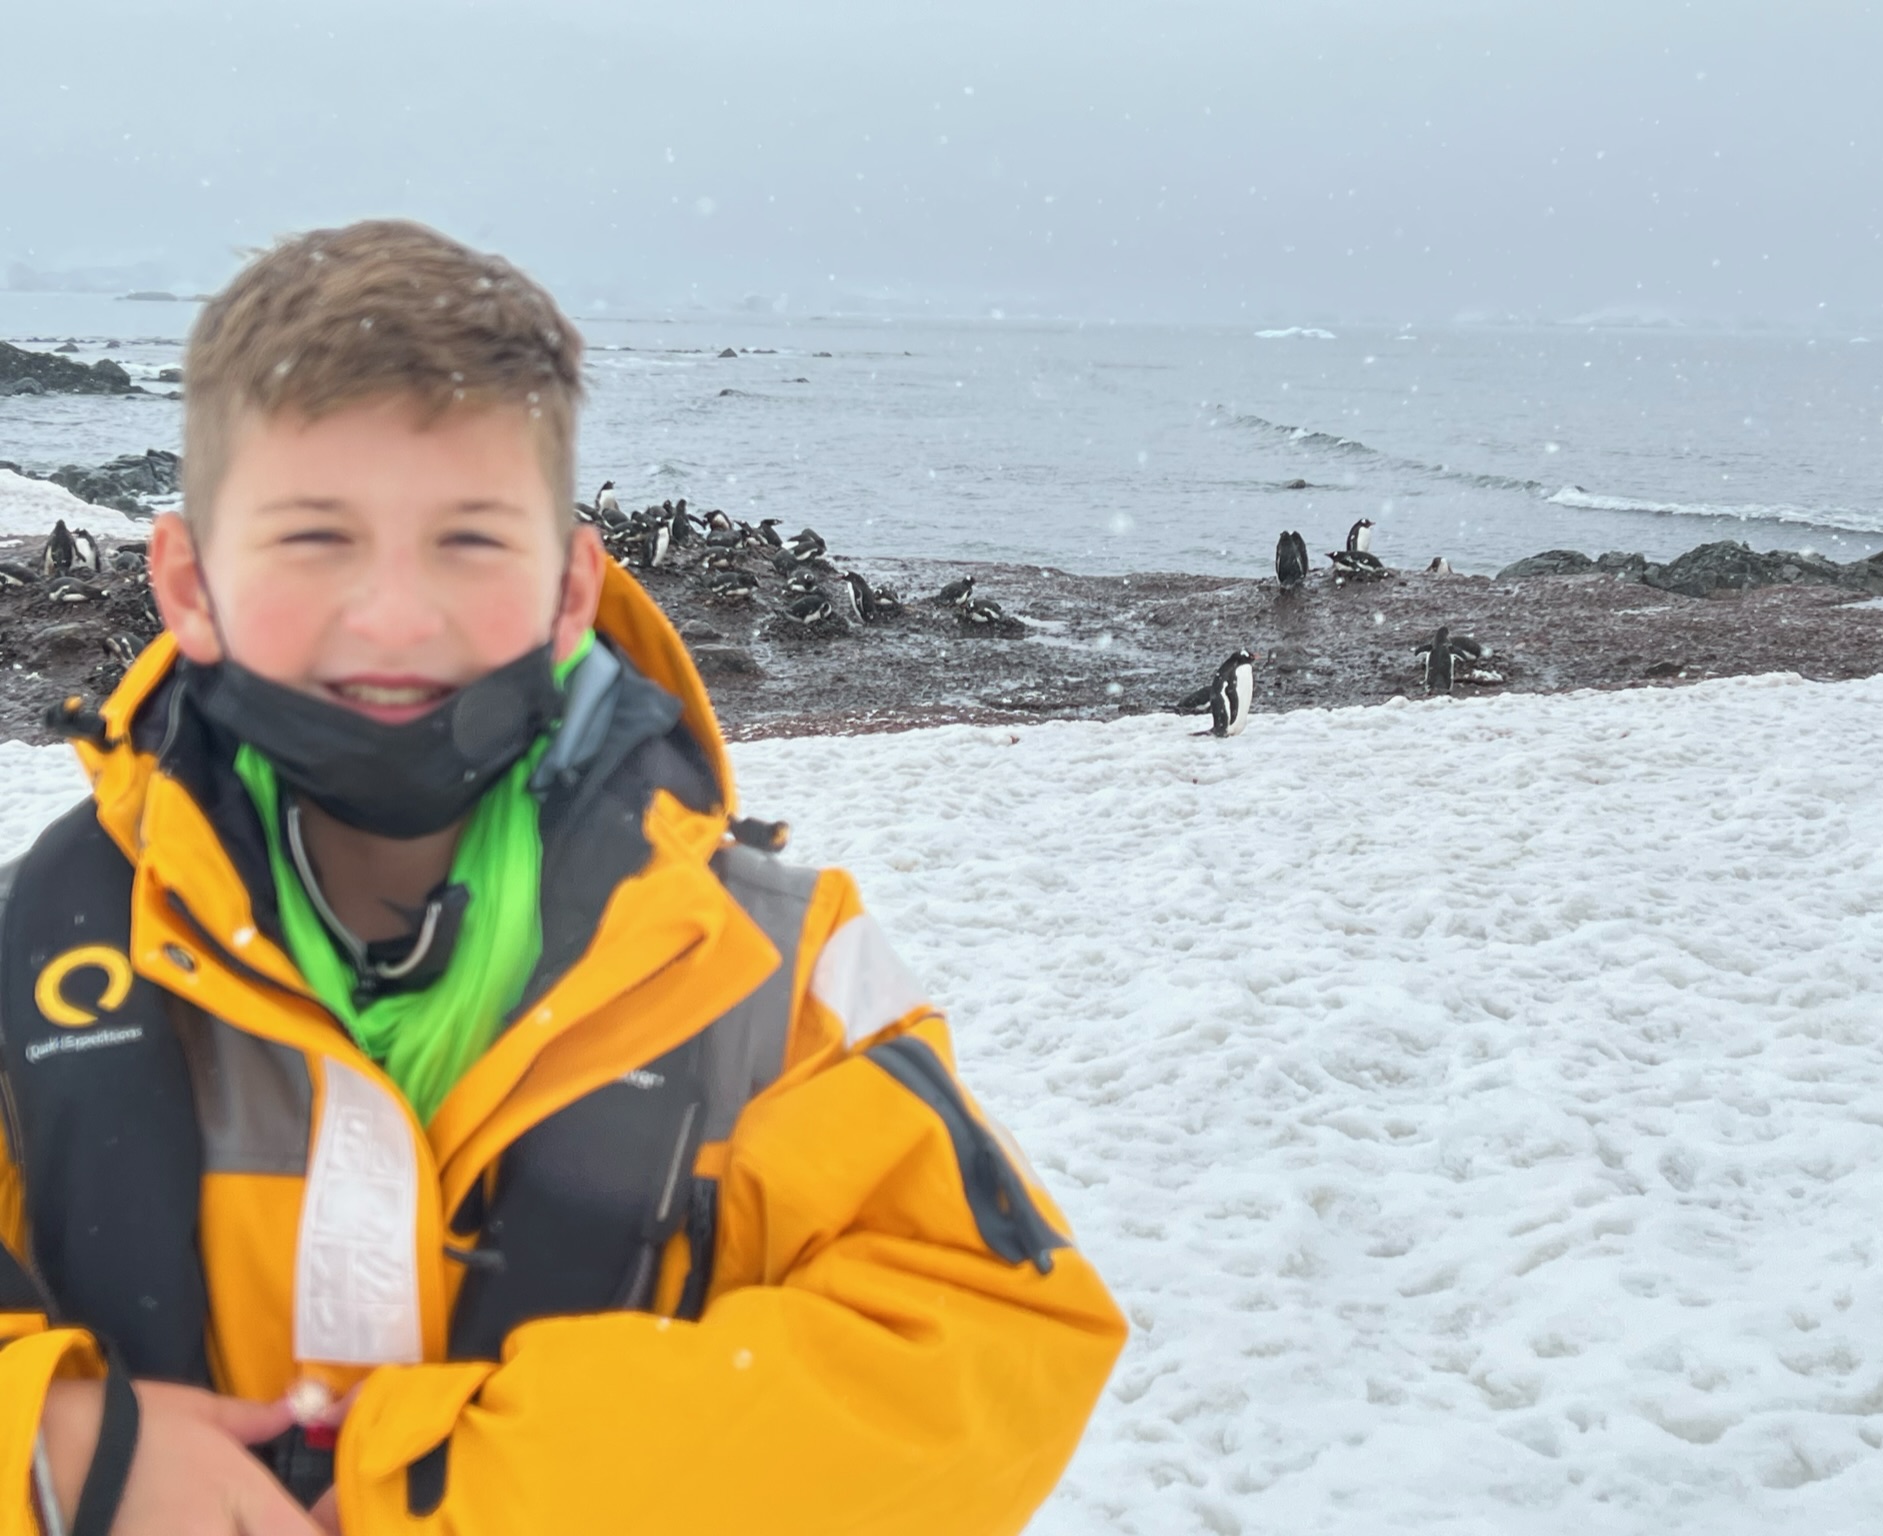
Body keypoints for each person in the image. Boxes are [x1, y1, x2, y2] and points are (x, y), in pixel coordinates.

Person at [0, 221, 1124, 1534]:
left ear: (572, 590)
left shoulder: (768, 976)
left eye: (470, 541)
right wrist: (48, 1436)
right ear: (189, 584)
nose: (395, 614)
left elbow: (991, 1336)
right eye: (314, 538)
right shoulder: (35, 952)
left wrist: (458, 1493)